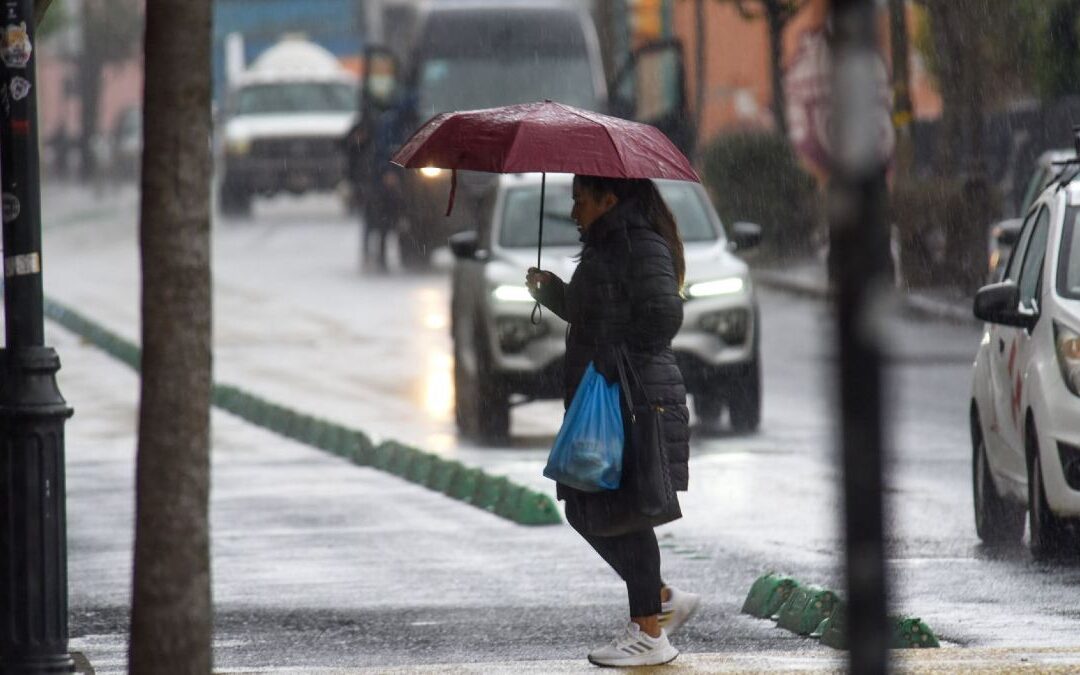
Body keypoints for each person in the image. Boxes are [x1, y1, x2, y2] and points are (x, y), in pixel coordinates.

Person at [526, 175, 698, 667]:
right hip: (607, 393)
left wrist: (613, 357)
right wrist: (555, 295)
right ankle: (660, 600)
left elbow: (662, 315)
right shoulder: (607, 244)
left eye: (581, 200)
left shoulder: (640, 243)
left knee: (623, 511)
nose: (574, 210)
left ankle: (649, 631)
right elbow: (598, 312)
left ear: (609, 200)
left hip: (635, 397)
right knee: (585, 506)